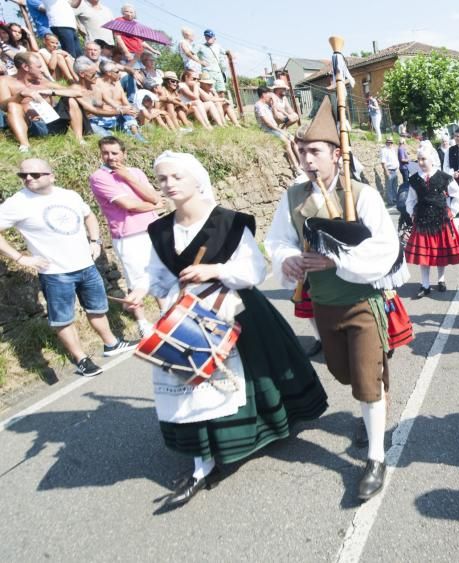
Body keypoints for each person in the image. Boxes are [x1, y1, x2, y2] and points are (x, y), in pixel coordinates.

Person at [121, 151, 328, 509]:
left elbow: (253, 270)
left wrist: (214, 270)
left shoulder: (230, 222)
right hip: (185, 313)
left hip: (234, 309)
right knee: (190, 380)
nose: (168, 185)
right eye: (163, 179)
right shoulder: (159, 229)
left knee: (244, 379)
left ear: (196, 180)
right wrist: (141, 289)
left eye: (176, 177)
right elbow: (155, 274)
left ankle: (251, 433)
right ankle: (202, 459)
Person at [265, 97, 401, 501]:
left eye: (315, 151)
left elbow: (386, 249)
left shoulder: (362, 195)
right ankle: (371, 399)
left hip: (362, 303)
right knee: (343, 374)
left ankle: (375, 457)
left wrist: (335, 261)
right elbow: (278, 240)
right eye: (303, 151)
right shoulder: (293, 197)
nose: (307, 159)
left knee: (365, 379)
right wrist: (289, 259)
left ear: (336, 154)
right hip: (324, 307)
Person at [0, 158, 138, 377]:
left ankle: (111, 343)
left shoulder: (68, 195)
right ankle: (81, 358)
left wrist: (95, 241)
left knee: (97, 307)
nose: (28, 178)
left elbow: (89, 215)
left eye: (35, 175)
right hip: (55, 272)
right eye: (23, 175)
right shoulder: (17, 203)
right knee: (63, 318)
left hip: (85, 264)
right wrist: (19, 258)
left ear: (50, 176)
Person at [88, 136, 163, 337]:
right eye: (106, 153)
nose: (110, 157)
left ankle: (166, 315)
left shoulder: (136, 172)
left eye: (115, 153)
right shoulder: (99, 177)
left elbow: (154, 196)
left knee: (160, 274)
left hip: (153, 229)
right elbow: (128, 205)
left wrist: (129, 178)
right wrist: (154, 205)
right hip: (128, 235)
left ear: (124, 153)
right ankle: (143, 323)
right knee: (135, 281)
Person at [404, 142, 459, 298]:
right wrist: (412, 213)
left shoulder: (444, 177)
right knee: (424, 257)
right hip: (422, 221)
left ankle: (441, 280)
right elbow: (410, 200)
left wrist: (451, 211)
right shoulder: (414, 180)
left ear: (431, 159)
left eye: (423, 159)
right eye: (418, 159)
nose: (420, 162)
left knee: (440, 254)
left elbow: (457, 195)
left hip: (441, 220)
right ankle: (425, 285)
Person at [0, 52, 84, 151]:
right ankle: (25, 146)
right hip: (30, 125)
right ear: (26, 67)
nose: (43, 70)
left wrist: (50, 92)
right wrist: (21, 95)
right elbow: (3, 106)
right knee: (12, 105)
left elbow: (77, 92)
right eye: (39, 67)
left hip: (52, 123)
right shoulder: (5, 81)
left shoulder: (43, 82)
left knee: (70, 99)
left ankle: (79, 140)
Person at [254, 85, 299, 172]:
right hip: (267, 130)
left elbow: (277, 108)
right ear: (264, 95)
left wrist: (275, 104)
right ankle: (295, 167)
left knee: (293, 139)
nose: (271, 97)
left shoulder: (267, 105)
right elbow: (266, 122)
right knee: (287, 141)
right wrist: (279, 130)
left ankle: (301, 163)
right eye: (269, 95)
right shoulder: (259, 106)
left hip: (274, 128)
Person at [196, 30, 228, 96]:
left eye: (210, 37)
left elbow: (226, 52)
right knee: (210, 91)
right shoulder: (200, 46)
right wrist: (200, 62)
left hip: (218, 72)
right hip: (207, 72)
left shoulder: (218, 46)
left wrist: (230, 52)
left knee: (221, 91)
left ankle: (221, 105)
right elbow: (191, 53)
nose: (208, 38)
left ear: (214, 38)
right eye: (207, 36)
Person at [380, 137, 401, 206]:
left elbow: (395, 159)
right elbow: (383, 162)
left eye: (391, 142)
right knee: (389, 187)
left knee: (395, 186)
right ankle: (390, 202)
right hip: (389, 170)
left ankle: (394, 199)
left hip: (395, 170)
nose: (390, 143)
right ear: (386, 142)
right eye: (388, 142)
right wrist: (386, 171)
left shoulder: (392, 149)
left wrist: (397, 168)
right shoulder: (384, 150)